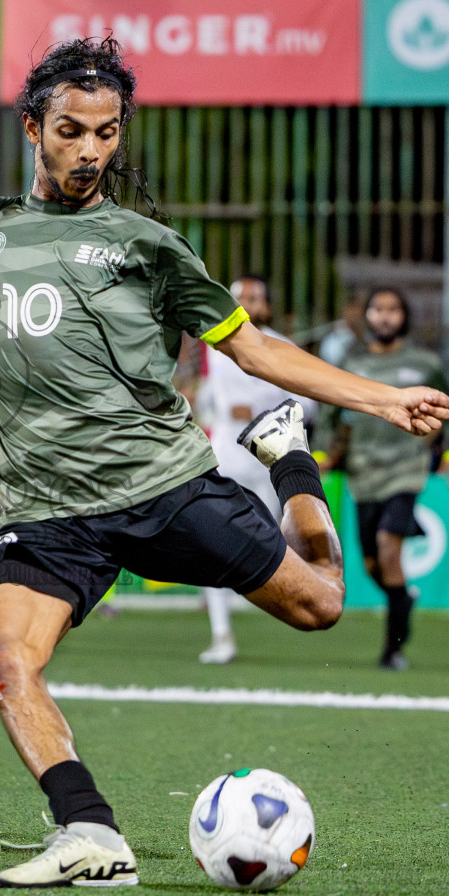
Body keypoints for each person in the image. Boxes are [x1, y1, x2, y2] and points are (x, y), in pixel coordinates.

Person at [0, 37, 449, 889]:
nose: (91, 150)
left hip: (163, 486)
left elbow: (252, 349)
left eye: (107, 133)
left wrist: (379, 397)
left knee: (322, 605)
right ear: (34, 128)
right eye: (71, 130)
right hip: (43, 511)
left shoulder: (148, 246)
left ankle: (290, 459)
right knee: (3, 656)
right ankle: (90, 832)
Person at [313, 288, 449, 672]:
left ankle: (393, 649)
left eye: (392, 309)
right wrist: (320, 454)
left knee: (387, 545)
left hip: (406, 470)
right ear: (366, 316)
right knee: (370, 565)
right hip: (363, 472)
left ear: (404, 316)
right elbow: (329, 412)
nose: (384, 317)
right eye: (377, 309)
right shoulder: (352, 363)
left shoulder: (424, 363)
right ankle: (402, 600)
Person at [193, 273, 312, 664]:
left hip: (267, 463)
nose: (248, 302)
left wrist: (267, 415)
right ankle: (221, 633)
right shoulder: (216, 345)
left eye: (255, 296)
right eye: (241, 296)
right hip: (222, 456)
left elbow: (308, 403)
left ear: (268, 305)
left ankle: (277, 599)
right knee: (211, 542)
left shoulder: (282, 346)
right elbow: (207, 396)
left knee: (269, 542)